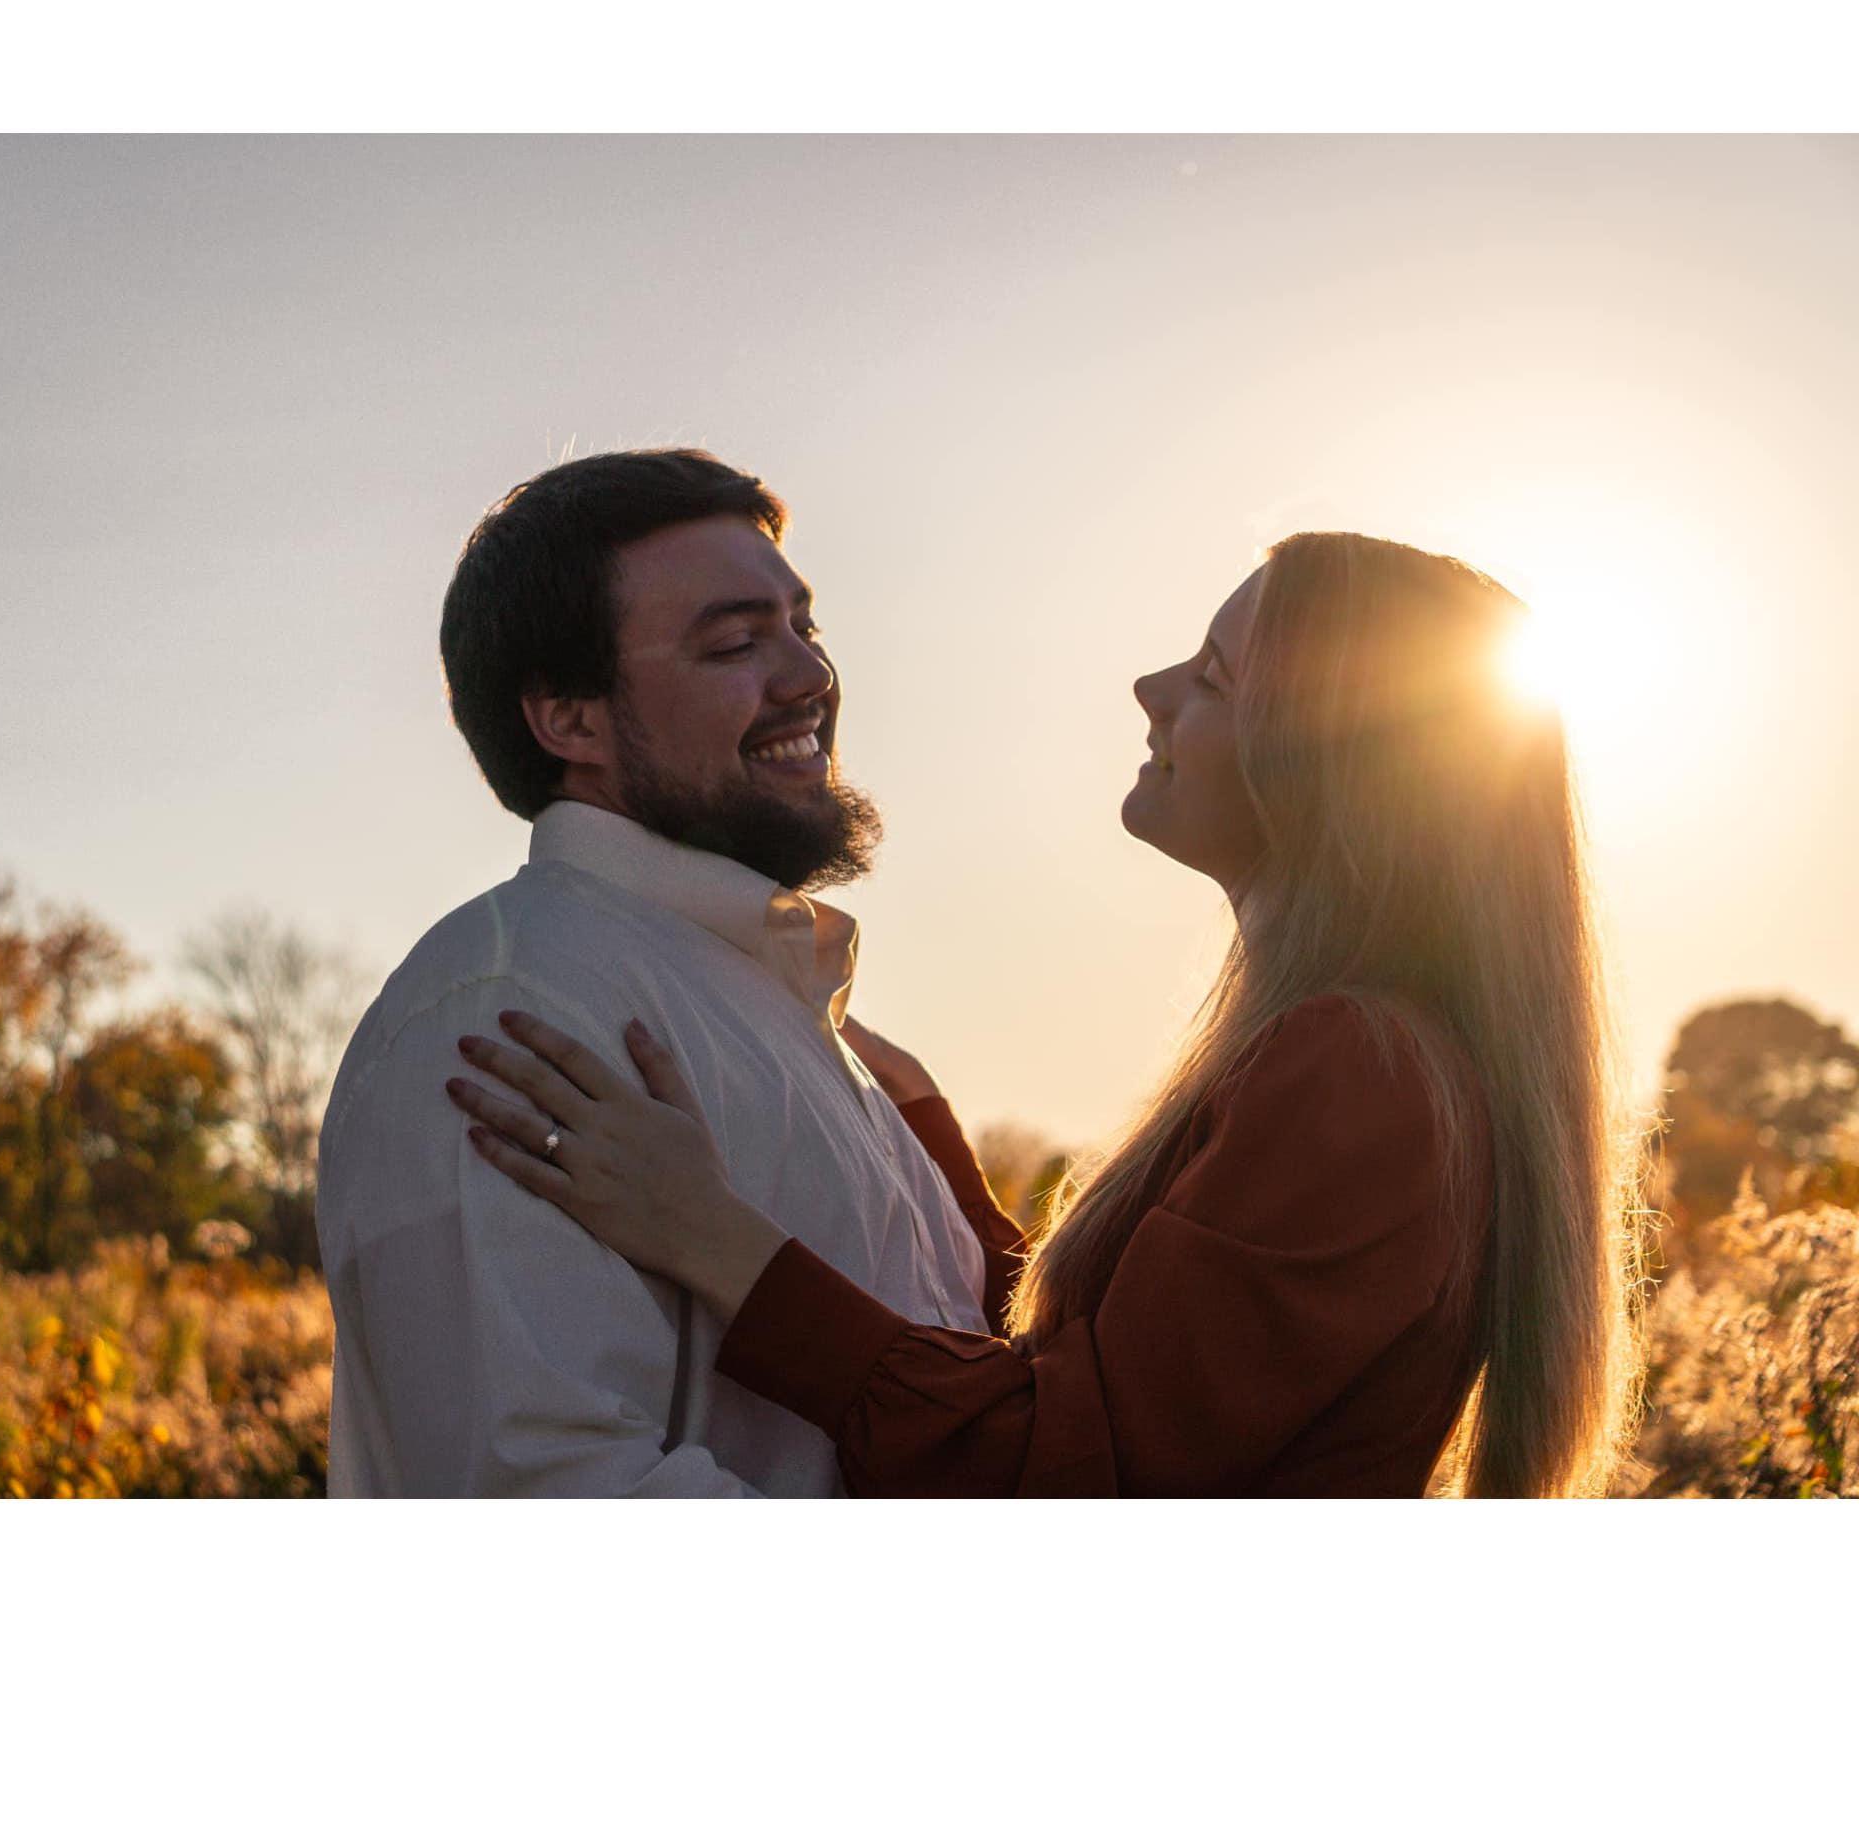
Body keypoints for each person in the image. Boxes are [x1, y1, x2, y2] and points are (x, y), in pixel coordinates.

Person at [445, 532, 1651, 1498]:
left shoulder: (1355, 1072)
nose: (1151, 688)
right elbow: (1139, 1396)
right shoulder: (1351, 1055)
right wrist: (933, 1153)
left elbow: (1058, 1476)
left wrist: (712, 1236)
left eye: (1216, 675)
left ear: (1334, 764)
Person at [317, 449, 990, 1496]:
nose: (810, 675)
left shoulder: (791, 1015)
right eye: (734, 641)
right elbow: (545, 1493)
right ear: (569, 718)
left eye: (803, 627)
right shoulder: (505, 1012)